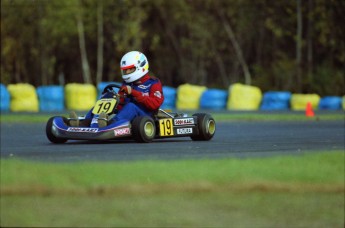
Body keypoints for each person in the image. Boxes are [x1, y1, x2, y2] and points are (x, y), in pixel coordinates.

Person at [69, 51, 164, 128]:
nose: (126, 72)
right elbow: (120, 105)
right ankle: (85, 123)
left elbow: (155, 104)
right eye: (125, 70)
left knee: (131, 106)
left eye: (130, 69)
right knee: (102, 102)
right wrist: (113, 100)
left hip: (145, 116)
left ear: (140, 67)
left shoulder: (153, 83)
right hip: (127, 116)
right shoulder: (126, 84)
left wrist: (134, 93)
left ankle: (110, 125)